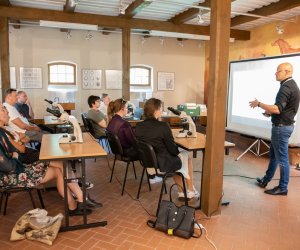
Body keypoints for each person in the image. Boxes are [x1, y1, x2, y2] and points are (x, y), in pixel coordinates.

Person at [0, 103, 101, 216]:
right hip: (13, 175)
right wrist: (15, 153)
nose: (7, 111)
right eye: (3, 109)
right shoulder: (2, 133)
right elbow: (10, 164)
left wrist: (15, 151)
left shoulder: (4, 130)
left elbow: (19, 146)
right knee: (62, 166)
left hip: (19, 166)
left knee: (61, 168)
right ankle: (81, 198)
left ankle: (75, 205)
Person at [249, 62, 300, 195]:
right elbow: (285, 108)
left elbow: (277, 109)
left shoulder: (286, 87)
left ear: (287, 72)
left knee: (282, 159)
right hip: (284, 126)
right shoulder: (291, 85)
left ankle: (283, 188)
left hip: (281, 129)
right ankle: (265, 180)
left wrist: (259, 104)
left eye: (278, 71)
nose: (275, 73)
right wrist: (269, 112)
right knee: (274, 157)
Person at [135, 98, 199, 199]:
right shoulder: (163, 126)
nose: (162, 111)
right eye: (161, 108)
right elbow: (173, 150)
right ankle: (190, 190)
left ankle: (182, 192)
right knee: (186, 156)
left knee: (177, 158)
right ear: (156, 111)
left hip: (148, 163)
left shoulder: (138, 126)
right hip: (162, 164)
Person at [107, 98, 162, 184]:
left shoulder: (112, 121)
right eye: (126, 107)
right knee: (150, 149)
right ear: (122, 108)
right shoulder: (124, 124)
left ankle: (153, 174)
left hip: (119, 152)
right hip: (127, 152)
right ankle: (153, 177)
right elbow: (134, 141)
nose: (127, 109)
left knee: (147, 147)